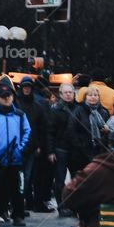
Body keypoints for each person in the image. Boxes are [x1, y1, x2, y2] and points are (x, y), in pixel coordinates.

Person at [0, 82, 31, 227]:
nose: (6, 99)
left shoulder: (20, 115)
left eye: (8, 96)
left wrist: (21, 150)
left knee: (17, 188)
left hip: (16, 157)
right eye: (3, 96)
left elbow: (27, 132)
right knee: (1, 189)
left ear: (12, 96)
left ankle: (18, 215)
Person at [15, 77, 51, 213]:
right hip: (17, 147)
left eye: (29, 87)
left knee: (29, 177)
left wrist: (39, 145)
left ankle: (27, 202)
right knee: (20, 177)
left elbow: (42, 129)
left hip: (32, 146)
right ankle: (20, 203)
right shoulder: (16, 104)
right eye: (24, 86)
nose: (26, 89)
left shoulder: (38, 107)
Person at [67, 87, 111, 179]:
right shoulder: (78, 111)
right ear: (85, 97)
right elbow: (71, 130)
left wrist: (106, 133)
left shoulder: (104, 112)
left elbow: (109, 129)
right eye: (90, 95)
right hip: (81, 152)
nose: (93, 97)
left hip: (99, 151)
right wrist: (80, 145)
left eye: (95, 95)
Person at [49, 83, 78, 216]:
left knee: (76, 178)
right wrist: (51, 151)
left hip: (75, 149)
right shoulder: (55, 110)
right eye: (65, 92)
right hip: (60, 148)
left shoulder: (78, 109)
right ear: (60, 94)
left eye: (70, 92)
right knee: (59, 180)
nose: (68, 94)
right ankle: (62, 206)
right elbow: (50, 132)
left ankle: (74, 205)